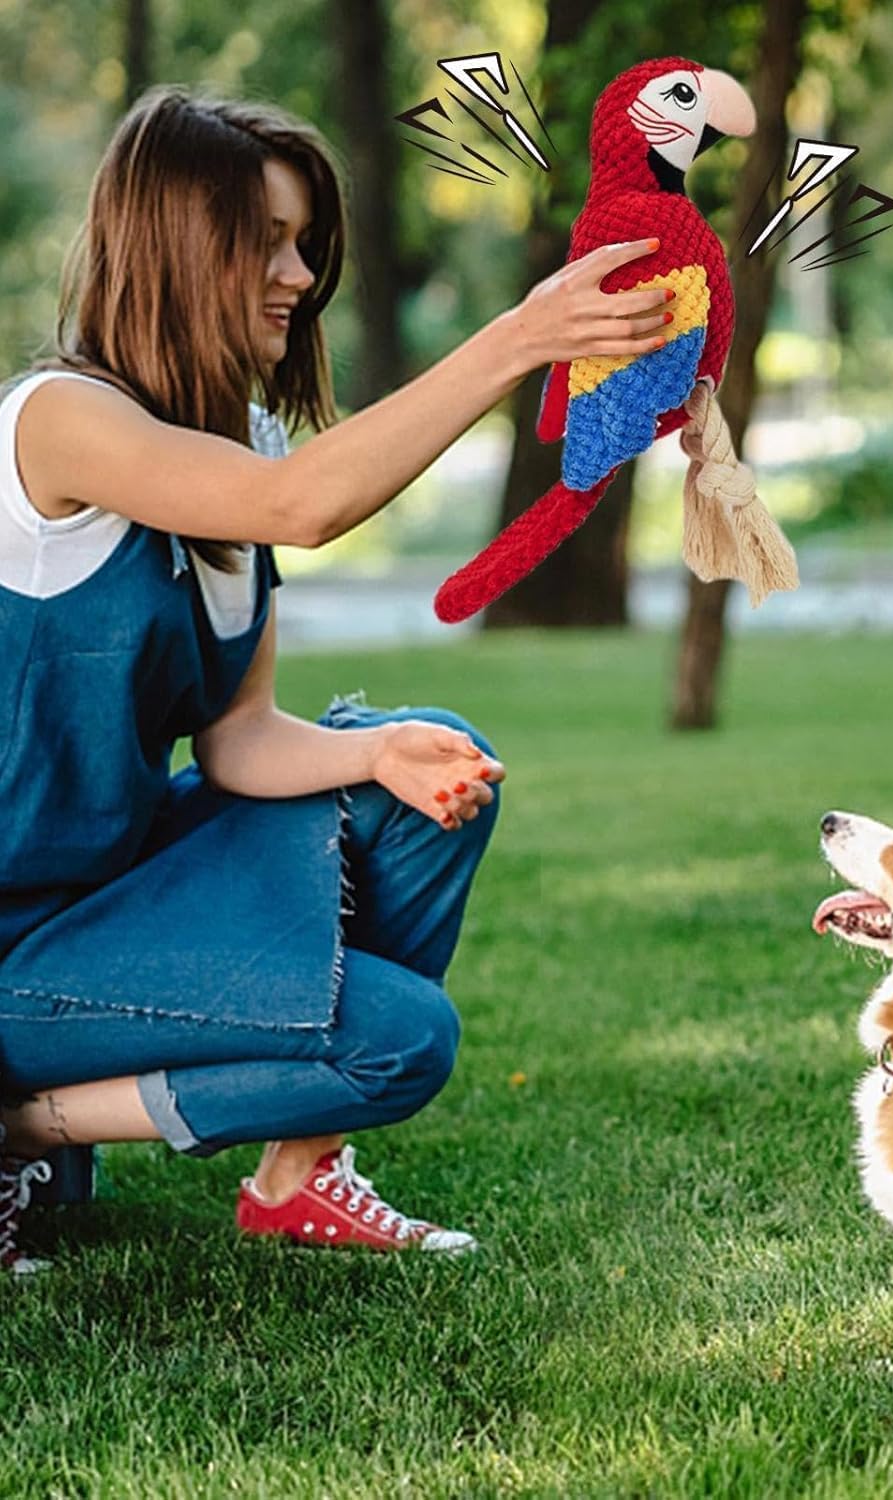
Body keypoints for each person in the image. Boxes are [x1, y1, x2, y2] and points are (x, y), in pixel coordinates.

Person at [0, 85, 671, 1272]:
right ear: (171, 243)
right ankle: (19, 1127)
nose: (302, 274)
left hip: (112, 891)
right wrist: (524, 337)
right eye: (266, 240)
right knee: (400, 1039)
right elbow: (301, 506)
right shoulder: (56, 422)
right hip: (14, 941)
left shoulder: (236, 444)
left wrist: (373, 754)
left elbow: (238, 738)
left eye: (306, 244)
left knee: (430, 762)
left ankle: (291, 1177)